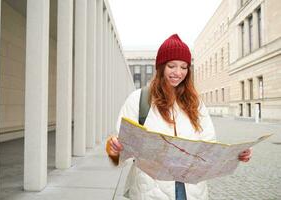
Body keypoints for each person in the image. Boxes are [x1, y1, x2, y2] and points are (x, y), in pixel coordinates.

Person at [106, 34, 252, 200]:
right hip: (150, 192)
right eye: (171, 66)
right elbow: (122, 150)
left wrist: (235, 155)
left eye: (184, 67)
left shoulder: (196, 103)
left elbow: (209, 145)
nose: (178, 73)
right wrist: (114, 150)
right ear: (161, 67)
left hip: (192, 191)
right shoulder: (138, 100)